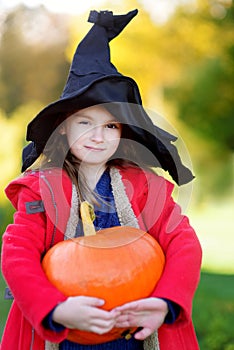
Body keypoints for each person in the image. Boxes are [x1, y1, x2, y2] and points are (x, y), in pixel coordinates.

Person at [1, 9, 202, 350]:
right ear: (64, 126)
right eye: (85, 123)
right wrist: (56, 308)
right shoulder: (41, 189)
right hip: (66, 331)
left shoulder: (145, 188)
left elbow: (184, 244)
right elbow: (17, 252)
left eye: (110, 125)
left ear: (122, 131)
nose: (98, 136)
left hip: (133, 333)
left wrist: (165, 302)